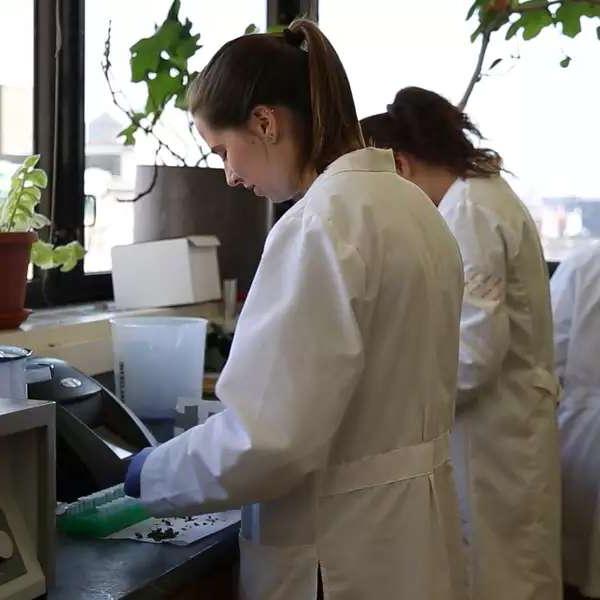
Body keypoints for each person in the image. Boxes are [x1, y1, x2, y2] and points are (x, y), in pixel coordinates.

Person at [125, 24, 467, 600]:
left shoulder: (320, 224)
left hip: (337, 551)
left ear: (264, 123)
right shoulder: (413, 208)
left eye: (223, 151)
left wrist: (151, 473)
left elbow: (270, 438)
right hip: (409, 539)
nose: (230, 175)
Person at [361, 86, 562, 600]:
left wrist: (393, 407)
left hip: (494, 430)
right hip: (503, 425)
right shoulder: (481, 194)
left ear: (400, 165)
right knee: (508, 567)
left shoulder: (468, 211)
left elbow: (474, 355)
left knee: (498, 574)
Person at [551, 243, 600, 598]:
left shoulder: (585, 261)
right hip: (584, 419)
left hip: (583, 427)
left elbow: (550, 349)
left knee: (576, 565)